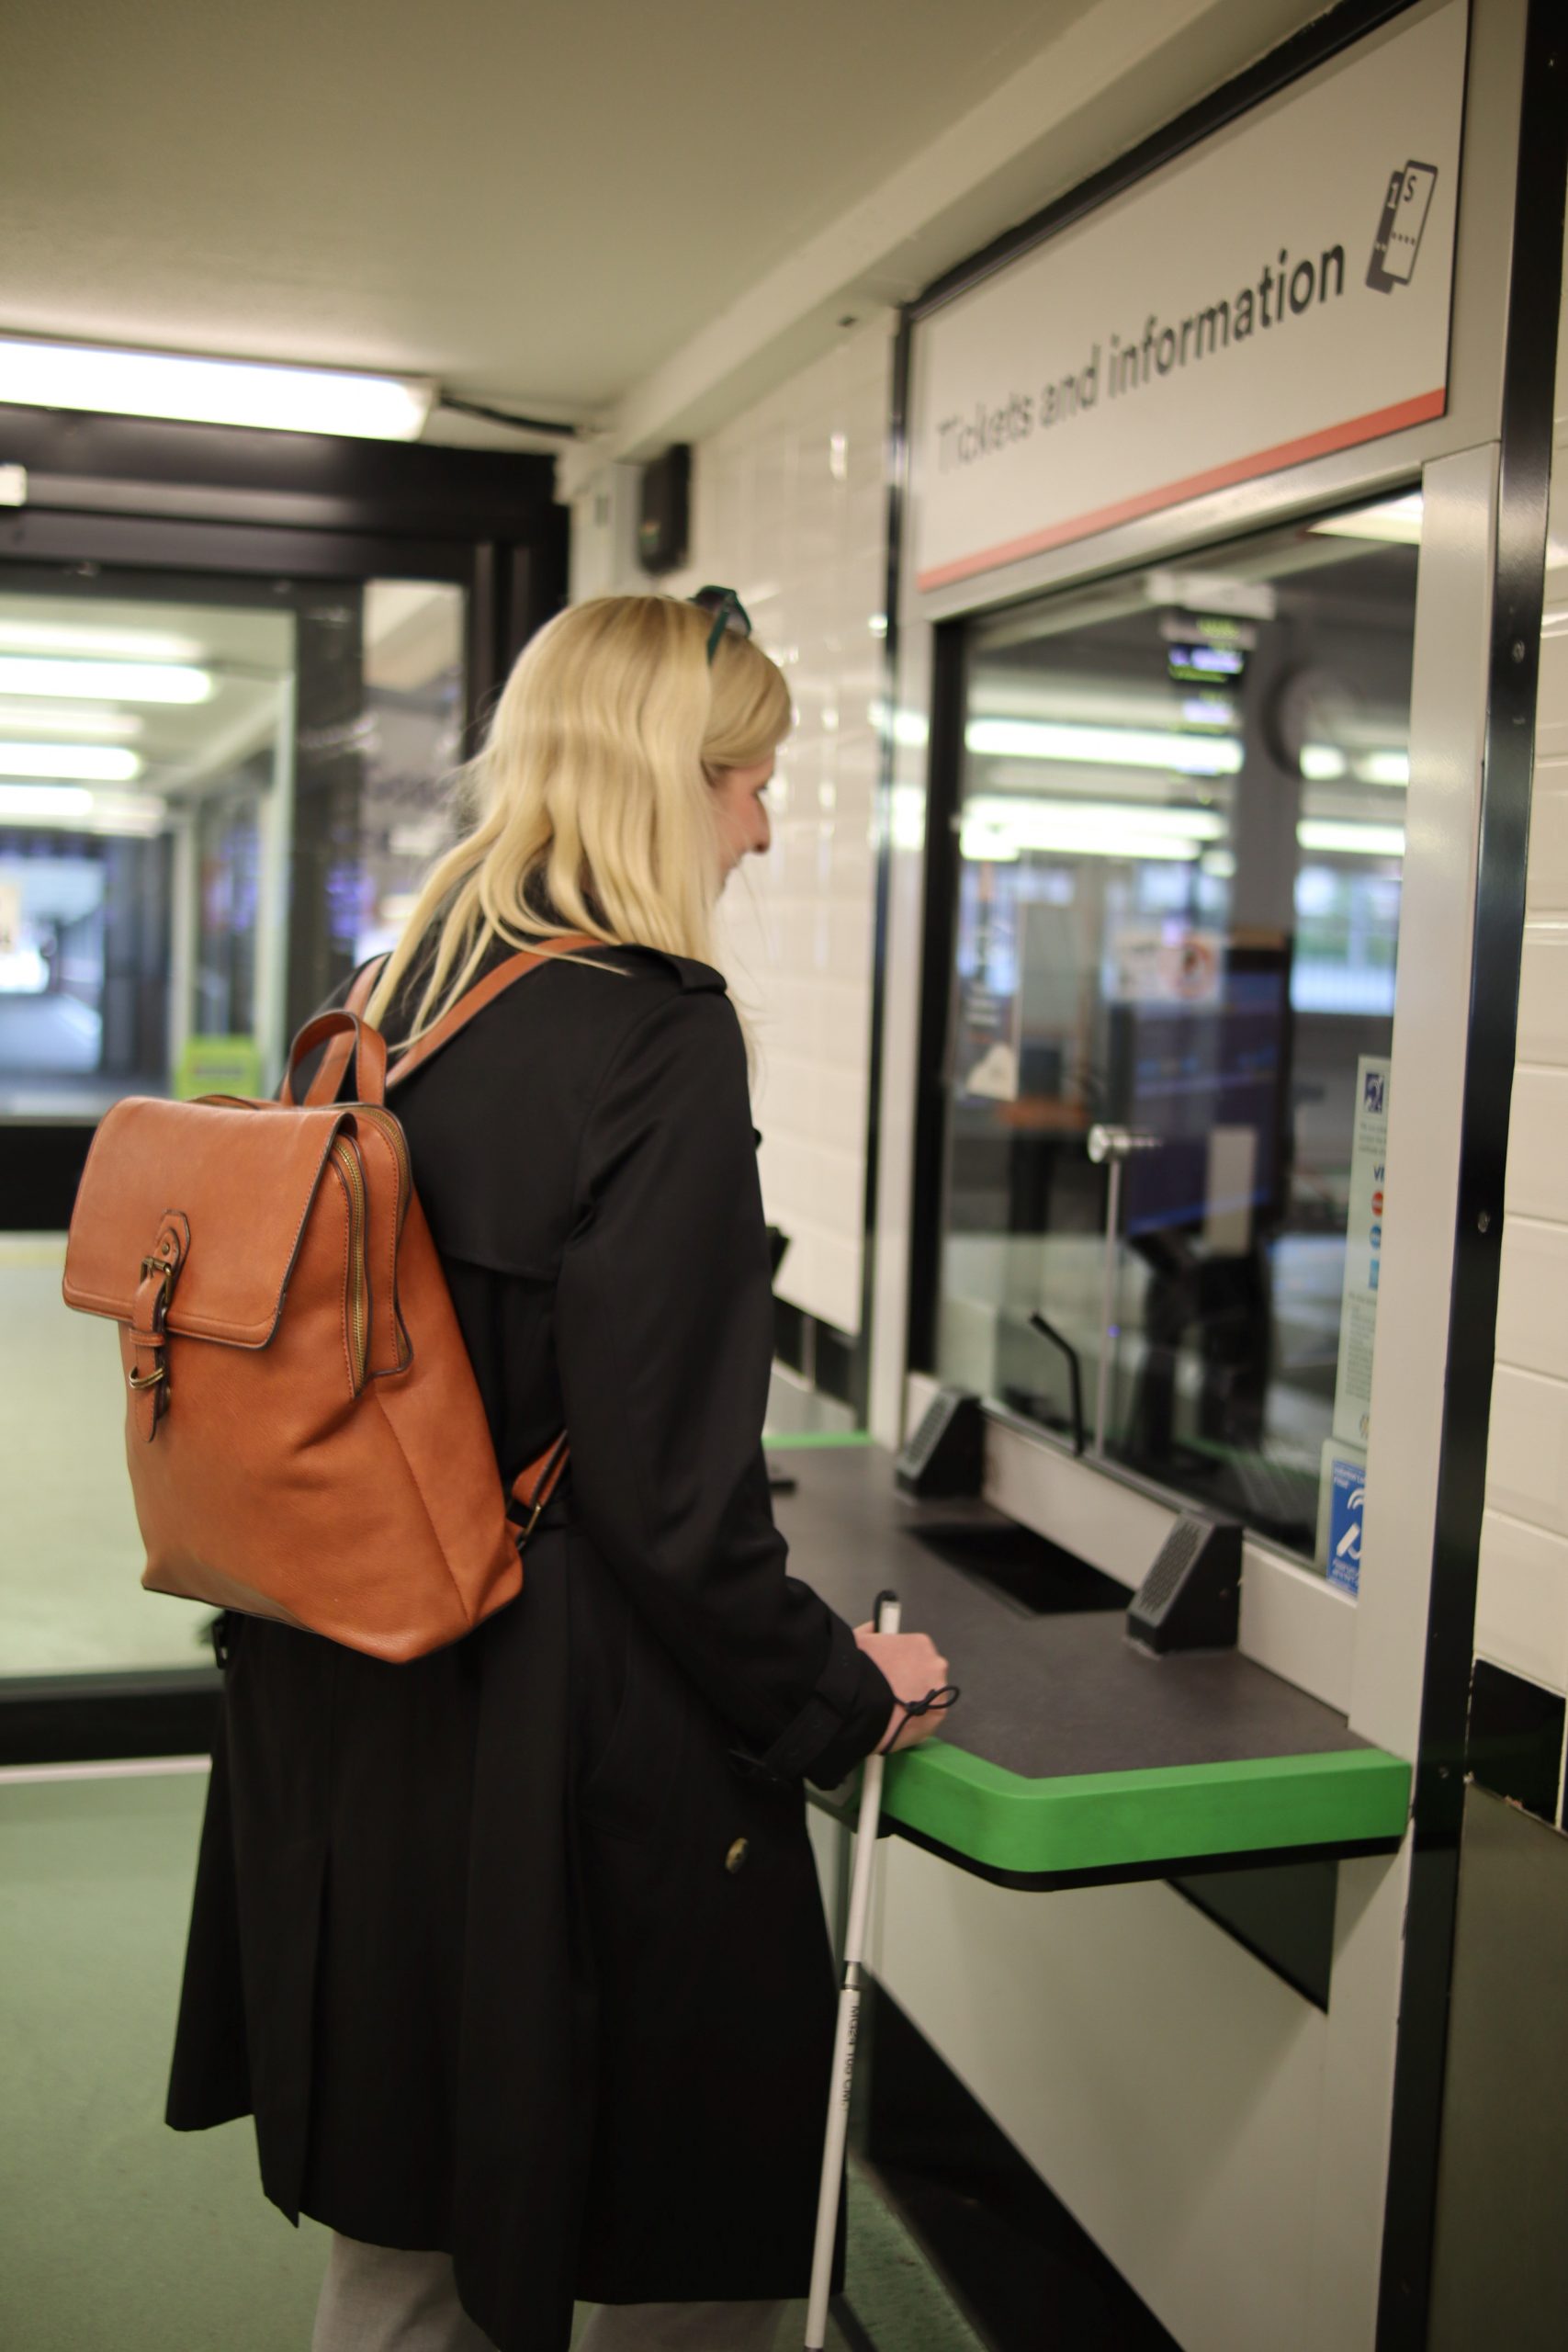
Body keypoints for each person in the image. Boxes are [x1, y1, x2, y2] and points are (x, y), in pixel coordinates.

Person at [164, 590, 952, 2352]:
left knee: (407, 2218)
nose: (767, 821)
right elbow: (676, 1511)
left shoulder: (381, 1002)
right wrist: (842, 1691)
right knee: (686, 2231)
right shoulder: (656, 1035)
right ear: (662, 782)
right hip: (558, 1723)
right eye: (748, 779)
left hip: (349, 1679)